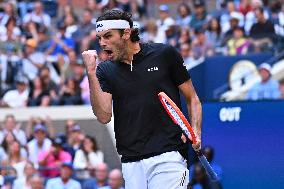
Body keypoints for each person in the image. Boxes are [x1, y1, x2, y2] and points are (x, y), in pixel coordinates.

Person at [82, 9, 202, 189]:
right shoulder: (104, 70)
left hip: (168, 155)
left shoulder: (164, 54)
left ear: (127, 33)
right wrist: (91, 73)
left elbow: (192, 97)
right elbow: (104, 116)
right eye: (99, 38)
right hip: (131, 162)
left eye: (108, 36)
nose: (102, 43)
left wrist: (195, 131)